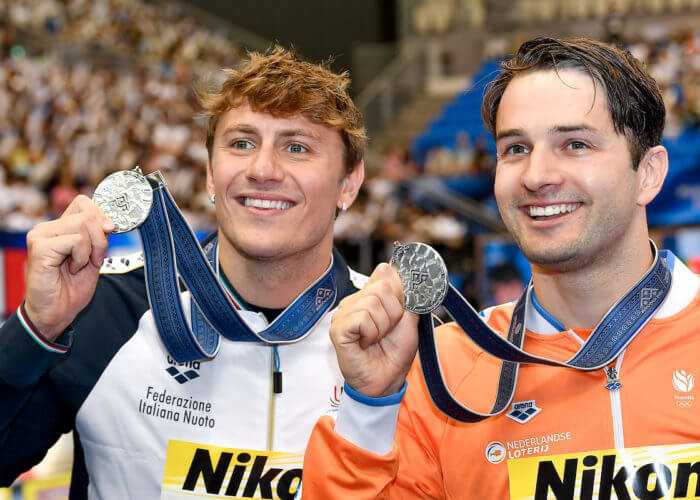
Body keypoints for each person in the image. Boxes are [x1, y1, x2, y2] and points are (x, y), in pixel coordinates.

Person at [300, 37, 700, 499]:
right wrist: (369, 406)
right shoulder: (444, 370)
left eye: (574, 144)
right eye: (515, 149)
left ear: (648, 173)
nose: (536, 175)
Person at [0, 46, 367, 499]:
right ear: (211, 174)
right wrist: (33, 329)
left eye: (297, 147)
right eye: (242, 143)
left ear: (349, 182)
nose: (263, 169)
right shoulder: (106, 308)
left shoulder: (393, 336)